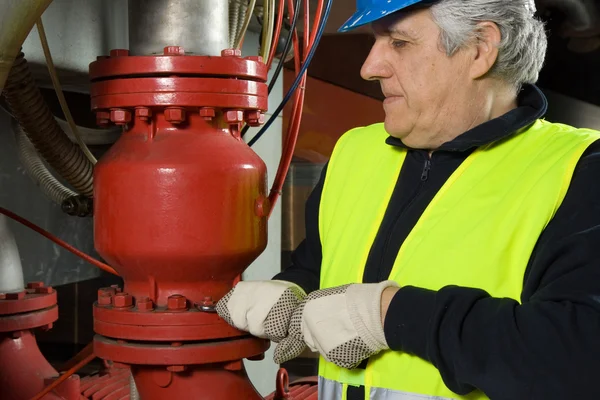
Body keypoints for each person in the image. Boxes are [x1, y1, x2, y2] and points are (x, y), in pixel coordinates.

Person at [216, 0, 600, 399]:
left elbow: (578, 359)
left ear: (480, 49)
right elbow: (320, 269)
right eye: (375, 41)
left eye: (398, 42)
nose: (369, 67)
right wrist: (293, 291)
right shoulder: (356, 151)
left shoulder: (577, 169)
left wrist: (389, 314)